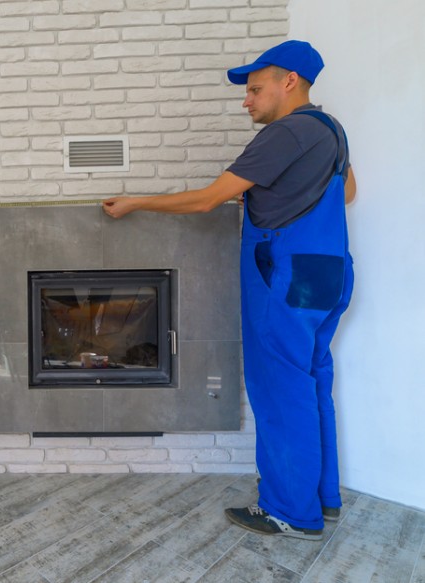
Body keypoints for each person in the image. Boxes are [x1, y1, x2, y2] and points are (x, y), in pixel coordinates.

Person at [103, 40, 356, 541]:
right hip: (327, 274)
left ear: (290, 81)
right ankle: (322, 499)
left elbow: (207, 201)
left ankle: (290, 512)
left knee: (279, 392)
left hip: (283, 276)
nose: (247, 100)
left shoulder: (285, 133)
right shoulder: (332, 131)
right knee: (309, 383)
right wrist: (279, 198)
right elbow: (345, 192)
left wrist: (136, 203)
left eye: (255, 89)